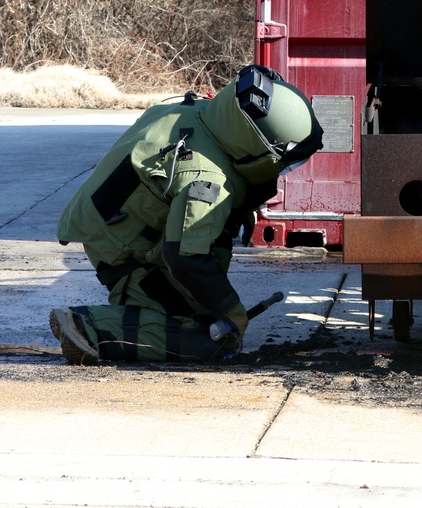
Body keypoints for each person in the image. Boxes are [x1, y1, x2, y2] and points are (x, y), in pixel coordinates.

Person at [50, 65, 323, 364]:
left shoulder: (203, 114)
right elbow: (185, 256)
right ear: (260, 151)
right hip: (121, 249)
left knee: (209, 294)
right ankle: (90, 327)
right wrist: (231, 310)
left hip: (109, 217)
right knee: (209, 338)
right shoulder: (206, 180)